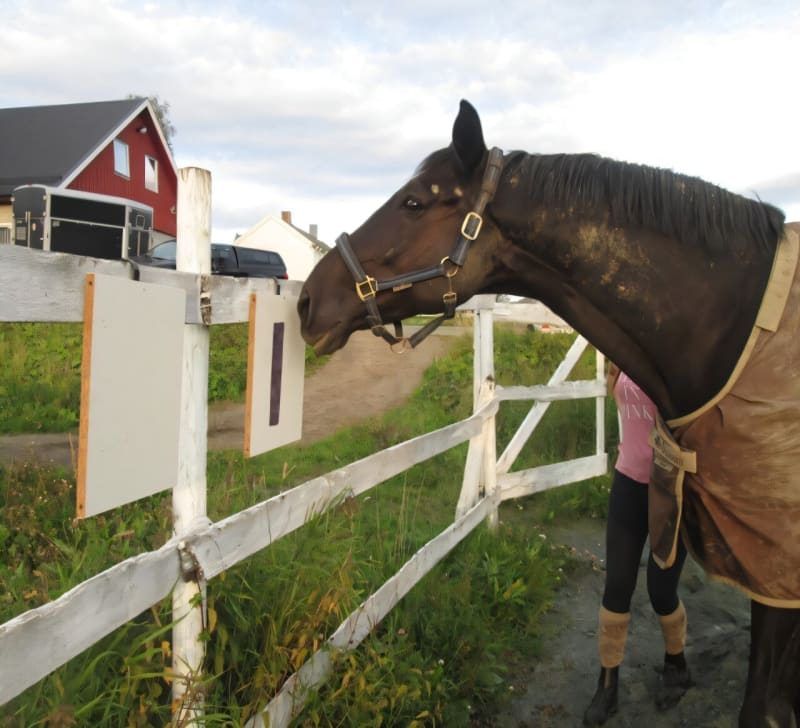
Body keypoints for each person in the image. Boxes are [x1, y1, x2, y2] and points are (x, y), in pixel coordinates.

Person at [583, 363, 693, 726]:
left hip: (670, 489)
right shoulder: (620, 355)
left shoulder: (674, 352)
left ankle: (677, 666)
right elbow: (626, 412)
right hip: (628, 483)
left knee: (661, 590)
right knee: (616, 586)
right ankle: (608, 684)